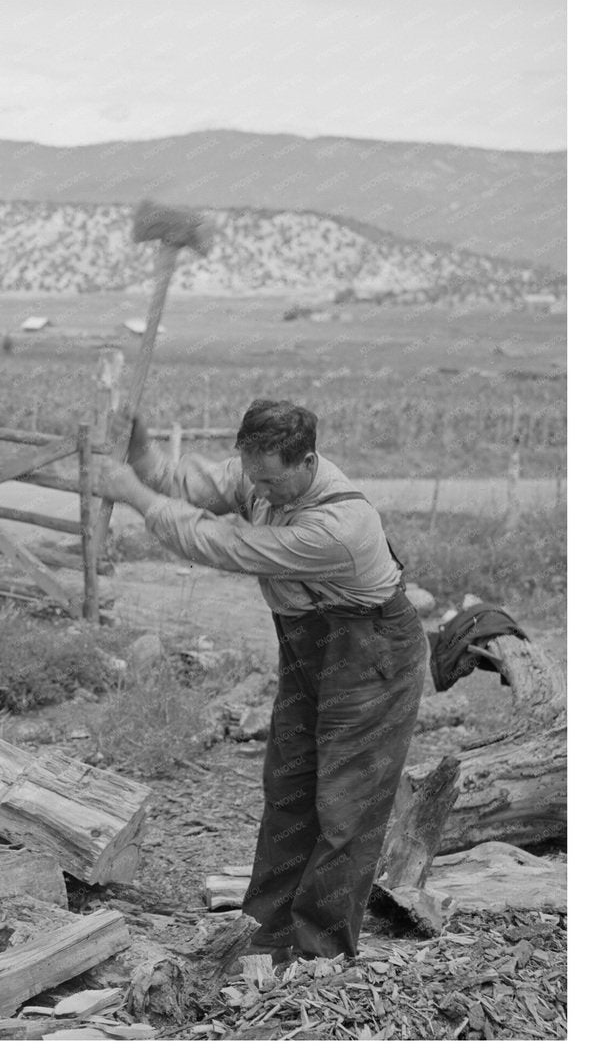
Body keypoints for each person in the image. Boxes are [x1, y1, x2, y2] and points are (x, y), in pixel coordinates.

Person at [92, 398, 426, 963]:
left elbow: (223, 545)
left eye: (271, 480)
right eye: (252, 476)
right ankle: (265, 936)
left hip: (370, 651)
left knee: (345, 804)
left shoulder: (338, 528)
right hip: (310, 645)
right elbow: (185, 482)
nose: (259, 491)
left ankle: (319, 955)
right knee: (289, 785)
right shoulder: (259, 471)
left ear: (307, 461)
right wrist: (141, 451)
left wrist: (132, 494)